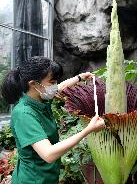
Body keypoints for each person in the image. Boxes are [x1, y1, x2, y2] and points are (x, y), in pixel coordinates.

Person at [0, 56, 105, 184]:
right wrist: (88, 129)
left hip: (48, 178)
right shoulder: (24, 114)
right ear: (33, 84)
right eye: (52, 81)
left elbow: (60, 87)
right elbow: (48, 154)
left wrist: (80, 77)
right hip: (32, 180)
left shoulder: (39, 97)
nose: (55, 86)